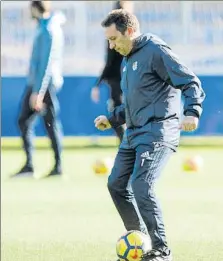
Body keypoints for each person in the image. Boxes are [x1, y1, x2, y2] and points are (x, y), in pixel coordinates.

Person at [94, 9, 205, 261]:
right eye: (108, 41)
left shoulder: (156, 50)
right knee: (116, 185)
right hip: (133, 133)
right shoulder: (127, 59)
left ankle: (161, 250)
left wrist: (192, 112)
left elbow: (190, 82)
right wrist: (111, 119)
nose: (111, 46)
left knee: (142, 185)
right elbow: (136, 103)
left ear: (130, 31)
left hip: (158, 132)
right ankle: (140, 238)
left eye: (114, 39)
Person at [13, 1, 65, 178]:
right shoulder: (44, 27)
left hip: (44, 85)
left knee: (49, 123)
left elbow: (46, 64)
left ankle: (55, 167)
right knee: (28, 121)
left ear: (35, 8)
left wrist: (39, 91)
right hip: (38, 84)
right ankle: (33, 166)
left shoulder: (48, 30)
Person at [91, 1, 133, 143]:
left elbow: (110, 62)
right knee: (123, 113)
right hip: (125, 79)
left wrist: (98, 83)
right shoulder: (128, 33)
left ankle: (126, 145)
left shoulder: (115, 33)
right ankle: (126, 145)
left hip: (118, 80)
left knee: (118, 114)